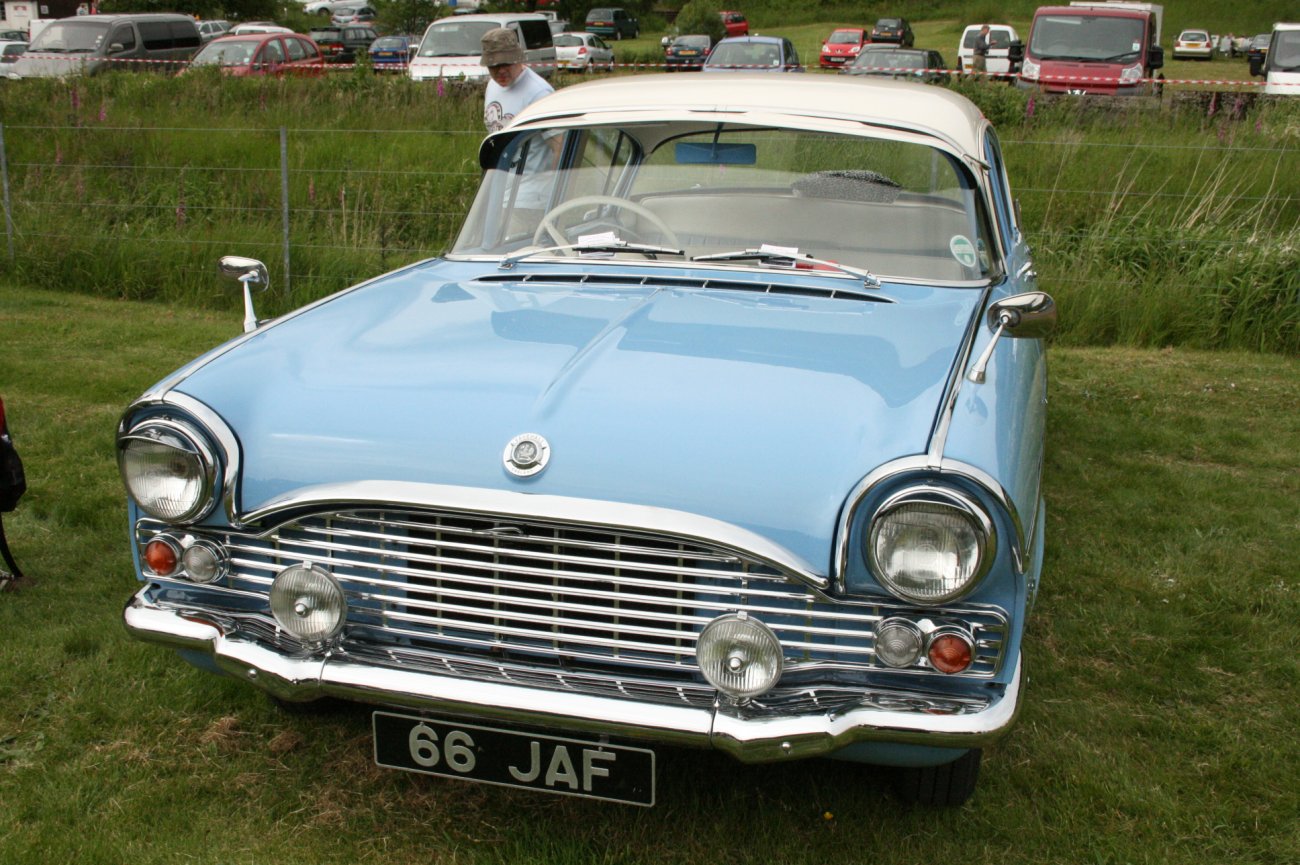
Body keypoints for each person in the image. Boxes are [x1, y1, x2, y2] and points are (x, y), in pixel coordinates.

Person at [481, 27, 553, 133]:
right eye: (493, 65)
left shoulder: (539, 93)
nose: (501, 71)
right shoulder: (492, 85)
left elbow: (558, 144)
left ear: (518, 59)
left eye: (506, 63)